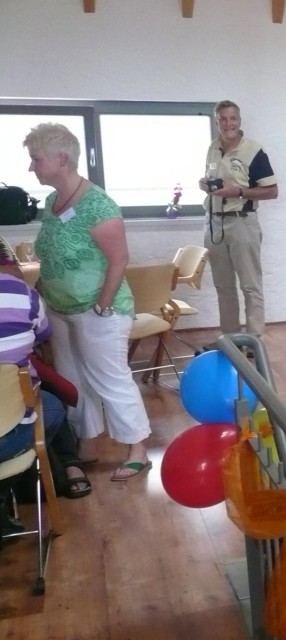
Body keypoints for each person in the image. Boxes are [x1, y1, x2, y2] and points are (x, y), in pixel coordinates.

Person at [23, 123, 152, 482]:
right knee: (72, 379)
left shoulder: (98, 205)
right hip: (59, 308)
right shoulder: (52, 203)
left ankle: (138, 450)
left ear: (62, 159)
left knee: (110, 379)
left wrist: (102, 307)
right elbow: (51, 255)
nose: (31, 167)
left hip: (97, 309)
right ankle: (87, 441)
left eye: (36, 159)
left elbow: (119, 260)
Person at [0, 246, 93, 538]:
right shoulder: (22, 293)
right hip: (10, 435)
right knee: (50, 404)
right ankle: (10, 490)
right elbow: (43, 334)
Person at [200, 100, 279, 337]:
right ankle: (231, 340)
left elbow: (272, 191)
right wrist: (206, 185)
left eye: (232, 118)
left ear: (240, 121)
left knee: (250, 286)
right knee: (223, 287)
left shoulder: (253, 150)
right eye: (223, 119)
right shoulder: (213, 147)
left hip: (242, 222)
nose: (228, 124)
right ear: (217, 122)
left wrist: (238, 192)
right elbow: (216, 181)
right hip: (214, 224)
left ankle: (255, 342)